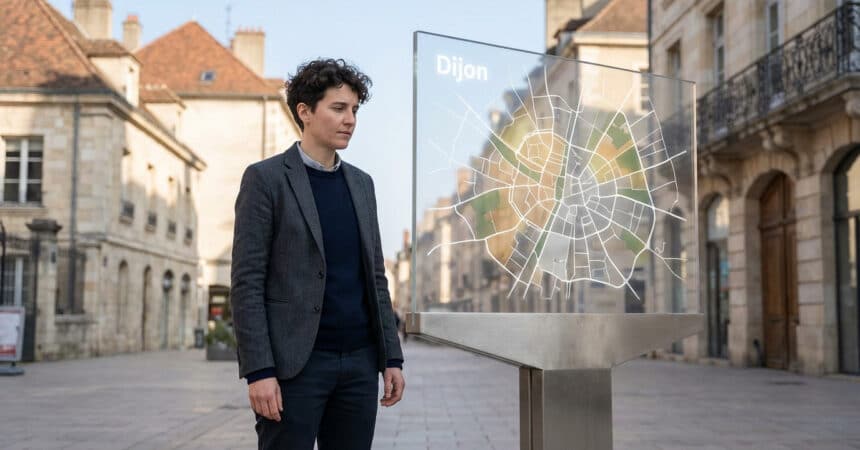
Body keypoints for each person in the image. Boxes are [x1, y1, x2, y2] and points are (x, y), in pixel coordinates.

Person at [230, 58, 405, 450]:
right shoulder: (266, 179)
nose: (351, 120)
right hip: (295, 367)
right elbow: (247, 282)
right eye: (339, 108)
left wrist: (391, 358)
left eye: (355, 110)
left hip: (359, 365)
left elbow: (376, 277)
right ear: (305, 112)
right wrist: (259, 370)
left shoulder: (363, 184)